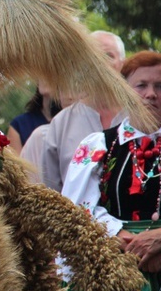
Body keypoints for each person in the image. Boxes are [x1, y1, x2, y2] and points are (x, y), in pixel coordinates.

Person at [62, 51, 161, 291]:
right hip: (111, 271)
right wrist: (128, 240)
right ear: (124, 92)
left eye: (160, 86)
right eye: (141, 86)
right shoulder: (99, 145)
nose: (151, 94)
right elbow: (76, 209)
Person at [41, 30, 126, 192]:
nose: (101, 63)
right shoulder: (61, 123)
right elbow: (50, 190)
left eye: (109, 56)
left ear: (123, 63)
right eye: (94, 56)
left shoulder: (148, 116)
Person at [6, 81, 59, 155]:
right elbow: (17, 165)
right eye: (42, 73)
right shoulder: (19, 124)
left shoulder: (73, 121)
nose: (45, 77)